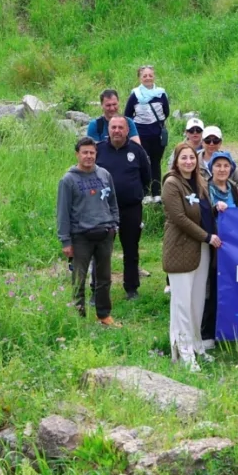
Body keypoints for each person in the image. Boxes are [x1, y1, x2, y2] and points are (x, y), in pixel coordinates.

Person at [162, 142, 222, 371]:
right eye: (183, 158)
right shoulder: (172, 184)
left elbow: (204, 211)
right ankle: (183, 352)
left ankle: (197, 345)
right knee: (182, 303)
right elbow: (179, 218)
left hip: (202, 249)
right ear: (176, 161)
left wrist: (218, 210)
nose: (188, 161)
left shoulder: (199, 182)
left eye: (191, 158)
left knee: (197, 300)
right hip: (181, 248)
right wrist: (207, 237)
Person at [56, 137, 119, 326]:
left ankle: (104, 315)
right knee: (79, 278)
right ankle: (78, 317)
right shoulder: (68, 180)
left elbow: (113, 202)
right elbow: (62, 212)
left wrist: (115, 224)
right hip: (80, 236)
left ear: (96, 154)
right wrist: (65, 241)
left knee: (104, 278)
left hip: (105, 233)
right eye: (85, 152)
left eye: (92, 152)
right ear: (77, 154)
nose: (89, 156)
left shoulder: (104, 175)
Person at [94, 116, 151, 300]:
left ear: (127, 130)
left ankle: (132, 288)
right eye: (113, 127)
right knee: (101, 250)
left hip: (130, 208)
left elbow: (146, 177)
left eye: (121, 127)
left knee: (131, 249)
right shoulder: (98, 150)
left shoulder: (137, 151)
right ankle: (98, 290)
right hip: (103, 209)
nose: (117, 130)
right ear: (108, 130)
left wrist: (134, 192)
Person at [200, 153, 234, 349]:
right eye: (218, 165)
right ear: (211, 168)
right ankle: (207, 334)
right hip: (214, 246)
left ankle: (229, 330)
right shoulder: (205, 189)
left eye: (226, 165)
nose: (222, 169)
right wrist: (215, 209)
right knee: (212, 289)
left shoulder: (234, 190)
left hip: (233, 249)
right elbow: (203, 214)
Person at [125, 65, 170, 203]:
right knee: (144, 163)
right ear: (140, 78)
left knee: (156, 163)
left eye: (150, 75)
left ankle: (157, 193)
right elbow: (127, 114)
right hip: (140, 135)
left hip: (157, 135)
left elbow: (166, 112)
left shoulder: (161, 93)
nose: (148, 78)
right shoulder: (135, 95)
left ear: (154, 76)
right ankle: (145, 193)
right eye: (144, 76)